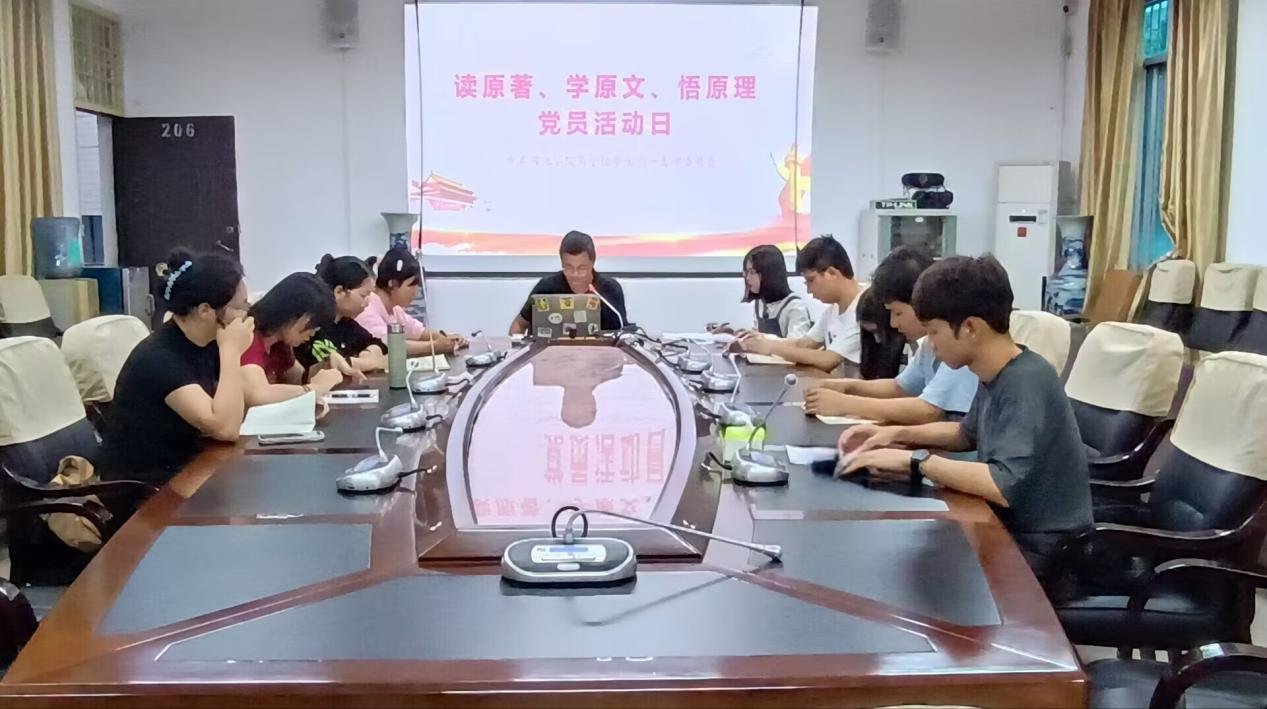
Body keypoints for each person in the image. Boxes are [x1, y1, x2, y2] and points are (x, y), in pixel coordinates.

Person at [837, 255, 1092, 582]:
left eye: (934, 332)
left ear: (970, 328)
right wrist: (892, 435)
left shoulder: (1025, 382)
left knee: (909, 572)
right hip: (1011, 529)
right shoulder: (996, 372)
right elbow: (965, 433)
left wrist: (916, 461)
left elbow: (1002, 483)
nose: (930, 344)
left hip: (1043, 550)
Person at [100, 249, 254, 484]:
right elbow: (226, 429)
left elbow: (242, 400)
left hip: (189, 467)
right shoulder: (160, 358)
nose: (246, 315)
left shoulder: (207, 343)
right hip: (145, 487)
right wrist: (231, 353)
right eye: (241, 307)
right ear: (205, 311)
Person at [805, 247, 979, 424]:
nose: (893, 324)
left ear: (920, 300)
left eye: (898, 313)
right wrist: (847, 386)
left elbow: (929, 410)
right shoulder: (929, 344)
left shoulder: (957, 344)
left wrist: (846, 404)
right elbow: (900, 387)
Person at [737, 235, 862, 372]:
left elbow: (828, 359)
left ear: (832, 273)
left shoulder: (863, 308)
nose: (809, 290)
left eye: (811, 280)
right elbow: (804, 344)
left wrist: (770, 347)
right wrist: (763, 341)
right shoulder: (833, 309)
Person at [241, 272, 347, 407]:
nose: (313, 333)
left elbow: (297, 379)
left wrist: (325, 365)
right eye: (312, 325)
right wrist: (314, 389)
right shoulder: (249, 335)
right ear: (292, 313)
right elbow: (257, 395)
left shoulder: (279, 342)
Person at [510, 230, 627, 334]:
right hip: (549, 351)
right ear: (561, 263)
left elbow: (622, 333)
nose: (575, 274)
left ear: (593, 262)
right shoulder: (546, 287)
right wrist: (518, 347)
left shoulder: (610, 289)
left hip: (597, 351)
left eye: (581, 268)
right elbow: (518, 324)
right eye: (569, 267)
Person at [356, 248, 468, 356]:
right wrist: (435, 346)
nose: (416, 291)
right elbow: (389, 345)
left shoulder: (395, 310)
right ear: (392, 283)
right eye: (411, 285)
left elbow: (419, 332)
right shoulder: (367, 308)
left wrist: (448, 338)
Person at [297, 255, 388, 374]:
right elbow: (332, 364)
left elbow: (377, 343)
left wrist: (368, 354)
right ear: (339, 291)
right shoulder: (312, 328)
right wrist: (371, 363)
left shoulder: (345, 323)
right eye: (363, 295)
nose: (367, 302)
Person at [713, 245, 811, 339]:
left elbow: (796, 346)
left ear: (769, 273)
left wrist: (761, 340)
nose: (747, 278)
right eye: (746, 273)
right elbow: (757, 336)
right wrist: (733, 334)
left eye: (752, 272)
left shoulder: (795, 308)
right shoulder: (760, 303)